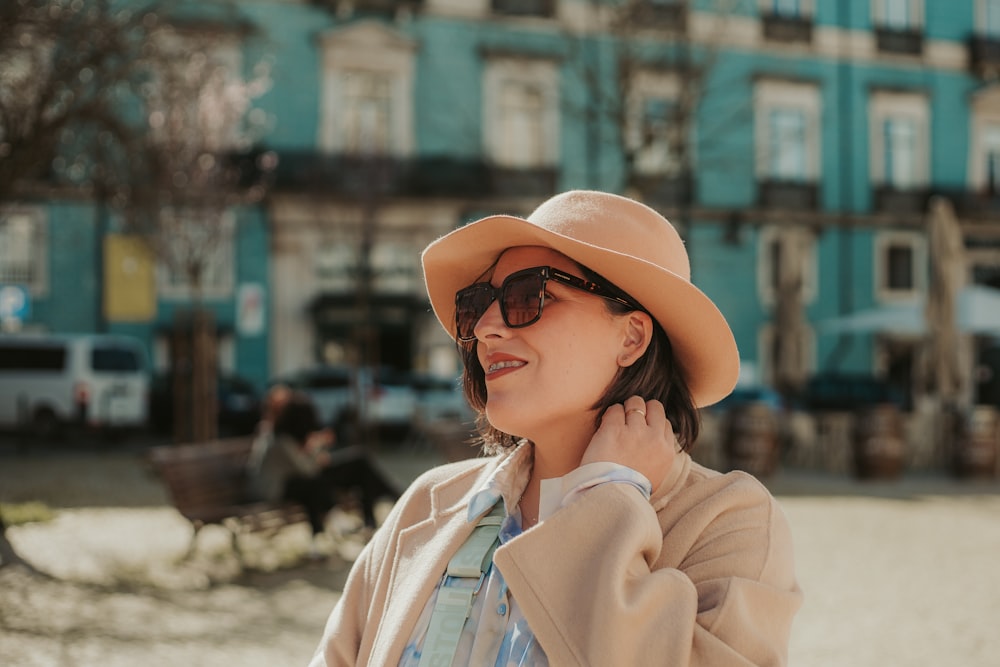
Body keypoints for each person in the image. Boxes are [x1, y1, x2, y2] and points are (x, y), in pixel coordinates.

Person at [309, 190, 802, 666]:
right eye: (478, 302)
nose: (485, 327)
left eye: (529, 295)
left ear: (631, 337)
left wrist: (609, 498)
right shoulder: (428, 504)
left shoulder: (728, 525)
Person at [246, 390, 400, 544]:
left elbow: (310, 464)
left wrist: (315, 449)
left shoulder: (287, 437)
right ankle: (341, 516)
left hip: (297, 482)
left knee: (359, 463)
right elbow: (309, 470)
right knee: (316, 485)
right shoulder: (279, 440)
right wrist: (317, 444)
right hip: (275, 489)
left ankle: (375, 514)